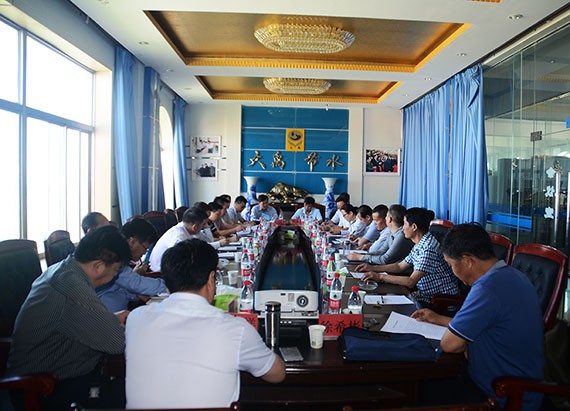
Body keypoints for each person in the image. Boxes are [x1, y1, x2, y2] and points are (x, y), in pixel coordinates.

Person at [125, 239, 286, 408]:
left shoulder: (136, 319)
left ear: (167, 284)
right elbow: (277, 374)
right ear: (211, 280)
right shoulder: (235, 330)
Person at [411, 224, 544, 410]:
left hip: (501, 394)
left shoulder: (487, 288)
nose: (452, 271)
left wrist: (461, 343)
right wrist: (438, 319)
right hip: (517, 386)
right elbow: (486, 326)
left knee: (417, 393)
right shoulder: (511, 275)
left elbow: (450, 344)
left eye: (451, 265)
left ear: (467, 261)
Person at [7, 226, 131, 411]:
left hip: (63, 374)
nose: (114, 277)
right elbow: (116, 343)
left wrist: (112, 319)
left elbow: (71, 318)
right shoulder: (71, 287)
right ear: (98, 266)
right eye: (115, 271)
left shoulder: (65, 269)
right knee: (137, 394)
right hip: (45, 388)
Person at [360, 207, 459, 306]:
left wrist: (380, 276)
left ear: (414, 227)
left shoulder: (428, 248)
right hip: (423, 294)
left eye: (405, 224)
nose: (403, 228)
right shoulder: (420, 243)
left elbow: (411, 282)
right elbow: (399, 266)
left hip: (439, 300)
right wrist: (372, 268)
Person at [95, 218, 167, 312]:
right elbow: (136, 283)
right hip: (105, 315)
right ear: (132, 242)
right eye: (145, 248)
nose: (144, 253)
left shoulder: (119, 259)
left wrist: (135, 294)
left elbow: (120, 288)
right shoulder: (113, 257)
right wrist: (170, 285)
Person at [349, 204, 413, 265]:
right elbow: (381, 251)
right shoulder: (391, 233)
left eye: (386, 216)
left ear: (389, 219)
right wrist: (360, 255)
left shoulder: (401, 235)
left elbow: (385, 259)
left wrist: (360, 257)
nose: (385, 218)